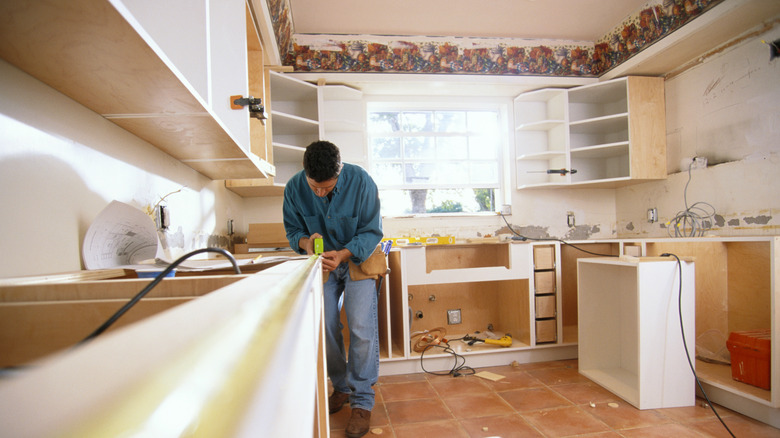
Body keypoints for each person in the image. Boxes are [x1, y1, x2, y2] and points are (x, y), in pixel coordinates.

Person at [282, 140, 383, 438]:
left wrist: (344, 253)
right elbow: (292, 231)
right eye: (315, 187)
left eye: (327, 187)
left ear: (339, 173)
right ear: (306, 174)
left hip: (356, 258)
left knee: (362, 326)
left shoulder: (361, 181)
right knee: (325, 326)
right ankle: (341, 388)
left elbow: (372, 231)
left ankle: (362, 400)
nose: (321, 193)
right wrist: (305, 242)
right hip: (321, 264)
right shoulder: (293, 188)